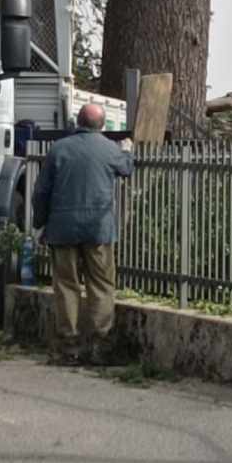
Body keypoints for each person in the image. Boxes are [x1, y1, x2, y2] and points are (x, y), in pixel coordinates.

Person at [31, 101, 133, 364]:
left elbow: (41, 192)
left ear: (78, 122)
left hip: (62, 228)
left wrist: (40, 223)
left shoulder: (59, 149)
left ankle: (70, 347)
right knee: (101, 284)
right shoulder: (110, 149)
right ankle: (101, 346)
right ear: (102, 125)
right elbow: (126, 169)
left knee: (66, 286)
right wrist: (128, 151)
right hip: (98, 229)